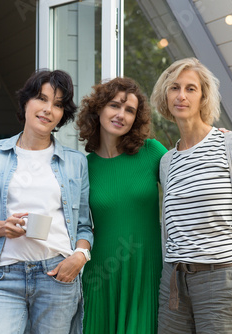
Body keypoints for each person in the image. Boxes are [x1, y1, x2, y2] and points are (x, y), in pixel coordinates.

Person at [0, 69, 93, 334]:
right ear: (26, 102)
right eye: (41, 98)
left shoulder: (76, 162)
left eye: (58, 104)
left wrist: (80, 256)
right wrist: (0, 228)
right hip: (4, 277)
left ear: (62, 115)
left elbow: (84, 226)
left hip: (57, 276)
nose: (48, 109)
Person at [150, 57, 232, 333]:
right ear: (165, 95)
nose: (181, 95)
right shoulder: (167, 161)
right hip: (174, 283)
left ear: (203, 97)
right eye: (174, 87)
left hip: (222, 278)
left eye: (191, 89)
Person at [76, 77, 168, 333]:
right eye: (115, 106)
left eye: (129, 110)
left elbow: (186, 178)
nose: (121, 115)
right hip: (101, 273)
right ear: (99, 109)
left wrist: (215, 140)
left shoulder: (152, 152)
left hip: (147, 268)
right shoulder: (85, 166)